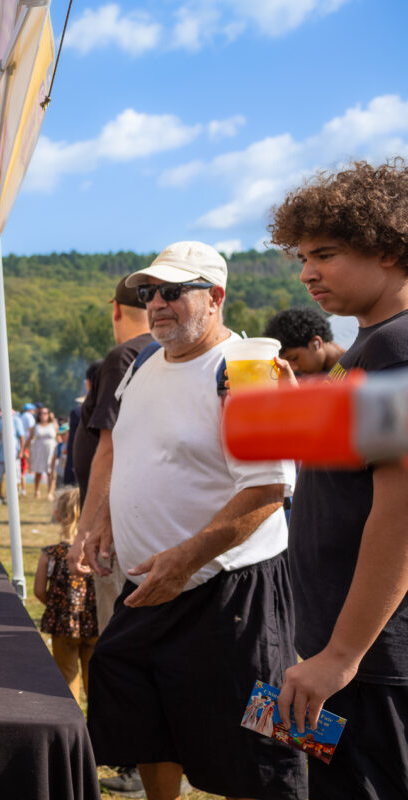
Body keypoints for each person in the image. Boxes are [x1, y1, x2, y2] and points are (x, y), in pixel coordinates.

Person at [77, 241, 306, 800]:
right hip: (153, 585)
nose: (156, 303)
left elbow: (270, 487)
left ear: (216, 297)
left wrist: (186, 558)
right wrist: (96, 519)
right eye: (148, 291)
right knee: (143, 707)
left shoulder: (248, 369)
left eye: (174, 292)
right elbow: (118, 449)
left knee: (267, 740)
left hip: (231, 589)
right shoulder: (144, 362)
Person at [267, 159, 408, 800]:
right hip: (342, 649)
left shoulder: (395, 350)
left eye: (325, 254)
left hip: (370, 663)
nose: (306, 273)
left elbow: (401, 512)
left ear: (387, 247)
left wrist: (342, 656)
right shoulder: (366, 348)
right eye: (301, 256)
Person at [66, 282, 151, 797]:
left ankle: (133, 761)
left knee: (117, 643)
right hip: (134, 522)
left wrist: (87, 527)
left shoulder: (125, 355)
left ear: (116, 310)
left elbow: (108, 449)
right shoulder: (155, 353)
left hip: (118, 526)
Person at [34, 487, 97, 702]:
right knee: (96, 680)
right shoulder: (98, 552)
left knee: (67, 680)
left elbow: (39, 590)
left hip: (63, 625)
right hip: (96, 623)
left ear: (59, 516)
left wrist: (57, 606)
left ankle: (73, 728)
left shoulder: (50, 554)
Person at [262, 306, 346, 376]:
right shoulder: (304, 377)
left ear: (316, 343)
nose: (292, 368)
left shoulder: (356, 368)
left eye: (294, 358)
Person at [24, 407, 58, 499]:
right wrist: (24, 449)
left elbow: (58, 438)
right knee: (38, 471)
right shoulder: (35, 426)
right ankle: (37, 491)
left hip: (51, 450)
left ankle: (50, 492)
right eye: (41, 413)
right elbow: (30, 438)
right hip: (38, 450)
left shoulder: (53, 425)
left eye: (45, 413)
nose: (43, 415)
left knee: (50, 471)